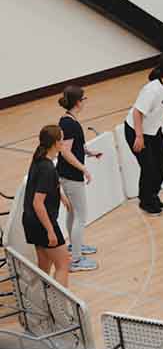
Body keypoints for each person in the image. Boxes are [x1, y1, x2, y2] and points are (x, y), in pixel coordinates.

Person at [124, 54, 163, 216]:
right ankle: (146, 201)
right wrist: (139, 136)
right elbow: (137, 112)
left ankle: (152, 195)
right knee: (148, 168)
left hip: (154, 130)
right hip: (136, 131)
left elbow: (162, 107)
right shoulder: (151, 89)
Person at [57, 86, 103, 272]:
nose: (86, 101)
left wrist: (89, 153)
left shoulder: (68, 121)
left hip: (66, 174)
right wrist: (84, 169)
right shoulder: (70, 124)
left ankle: (74, 246)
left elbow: (74, 146)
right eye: (84, 98)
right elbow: (65, 151)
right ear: (78, 102)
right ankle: (75, 260)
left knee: (73, 213)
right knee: (80, 216)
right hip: (71, 176)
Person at [22, 125, 72, 287]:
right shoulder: (47, 168)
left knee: (44, 266)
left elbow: (44, 185)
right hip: (42, 222)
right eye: (62, 139)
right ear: (56, 143)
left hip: (30, 221)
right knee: (63, 264)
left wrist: (60, 196)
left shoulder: (39, 158)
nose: (63, 142)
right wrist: (50, 230)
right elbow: (38, 203)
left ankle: (39, 302)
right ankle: (61, 308)